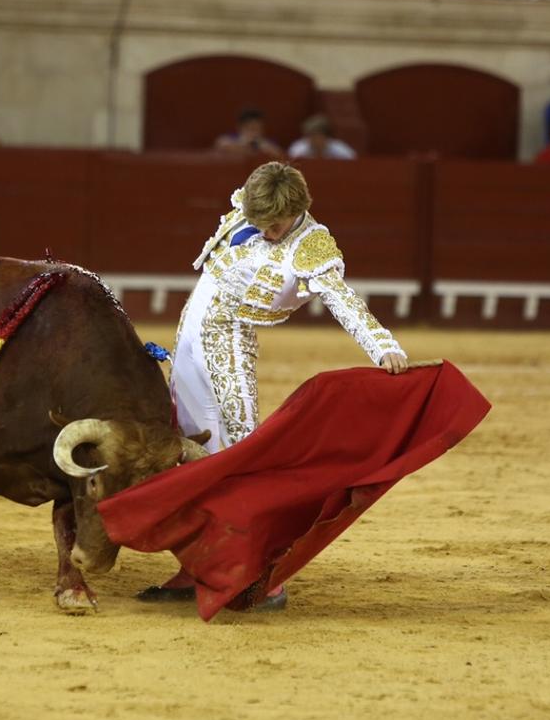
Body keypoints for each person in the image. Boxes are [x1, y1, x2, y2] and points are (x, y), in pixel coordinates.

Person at [139, 162, 409, 609]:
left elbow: (344, 301)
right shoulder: (253, 206)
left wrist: (382, 346)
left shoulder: (311, 246)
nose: (265, 232)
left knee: (239, 453)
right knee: (189, 449)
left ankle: (265, 574)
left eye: (275, 226)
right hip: (188, 334)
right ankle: (200, 565)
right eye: (260, 223)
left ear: (298, 211)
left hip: (226, 341)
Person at [213, 107, 282, 157]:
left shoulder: (265, 142)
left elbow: (279, 153)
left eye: (257, 129)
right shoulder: (231, 138)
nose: (254, 132)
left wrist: (258, 145)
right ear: (240, 127)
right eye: (251, 128)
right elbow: (221, 144)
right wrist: (244, 144)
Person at [288, 115, 356, 160]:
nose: (311, 139)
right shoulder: (298, 150)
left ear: (325, 136)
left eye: (314, 135)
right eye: (309, 136)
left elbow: (352, 162)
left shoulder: (340, 150)